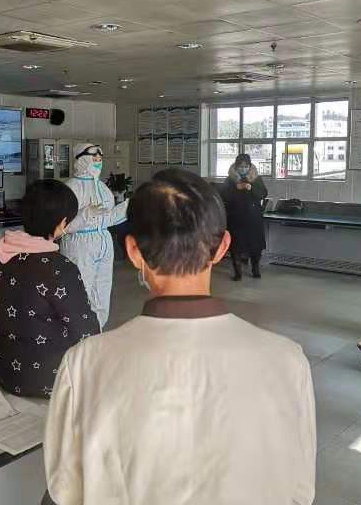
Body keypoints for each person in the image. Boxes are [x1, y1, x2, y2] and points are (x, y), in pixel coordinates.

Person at [43, 169, 316, 505]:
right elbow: (300, 489)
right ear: (222, 247)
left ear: (133, 251)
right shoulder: (287, 360)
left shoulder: (85, 363)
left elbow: (64, 488)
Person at [0, 180, 99, 398]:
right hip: (49, 379)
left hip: (5, 370)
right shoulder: (60, 268)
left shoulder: (0, 255)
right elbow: (84, 329)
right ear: (62, 223)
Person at [60, 143, 128, 329]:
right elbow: (63, 227)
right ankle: (78, 334)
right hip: (79, 246)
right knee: (80, 292)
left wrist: (127, 208)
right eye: (93, 155)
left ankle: (96, 330)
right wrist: (85, 215)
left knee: (102, 292)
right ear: (80, 158)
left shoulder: (102, 188)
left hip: (103, 244)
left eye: (100, 155)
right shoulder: (71, 188)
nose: (98, 159)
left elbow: (107, 218)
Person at [222, 153, 268, 280]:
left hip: (253, 219)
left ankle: (255, 268)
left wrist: (251, 188)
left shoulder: (256, 179)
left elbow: (263, 194)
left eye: (246, 166)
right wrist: (236, 188)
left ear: (250, 166)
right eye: (240, 167)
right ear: (236, 167)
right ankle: (238, 272)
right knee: (235, 246)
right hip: (235, 219)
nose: (243, 169)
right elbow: (223, 195)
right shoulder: (230, 180)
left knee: (255, 246)